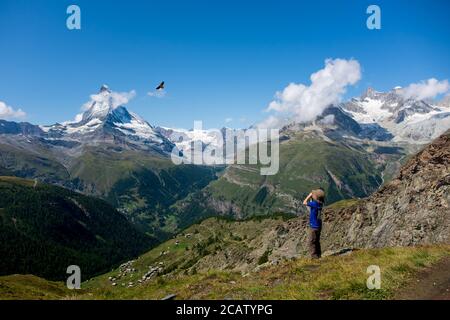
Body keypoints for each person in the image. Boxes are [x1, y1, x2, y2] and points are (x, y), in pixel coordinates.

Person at [303, 188, 325, 259]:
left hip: (313, 226)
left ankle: (314, 257)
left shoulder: (314, 204)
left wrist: (309, 195)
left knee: (311, 242)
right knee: (317, 241)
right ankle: (319, 255)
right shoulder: (320, 203)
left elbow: (304, 202)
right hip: (319, 225)